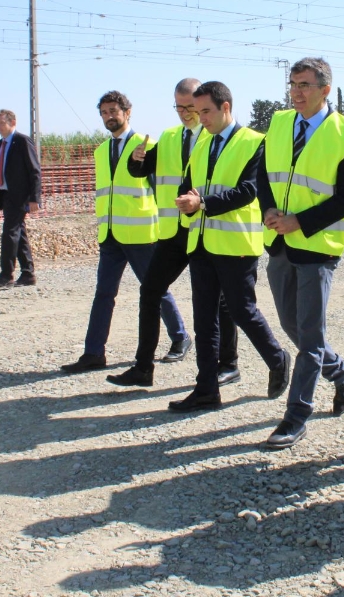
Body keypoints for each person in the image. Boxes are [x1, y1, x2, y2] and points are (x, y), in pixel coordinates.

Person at [107, 79, 243, 388]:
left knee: (218, 301)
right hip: (174, 232)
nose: (184, 113)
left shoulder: (216, 137)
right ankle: (143, 368)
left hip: (207, 229)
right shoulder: (168, 137)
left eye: (190, 107)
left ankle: (229, 364)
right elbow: (143, 171)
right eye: (178, 107)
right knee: (150, 290)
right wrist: (136, 160)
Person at [258, 57, 344, 450]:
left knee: (310, 335)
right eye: (292, 84)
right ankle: (342, 373)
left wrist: (300, 222)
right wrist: (268, 209)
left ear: (325, 89)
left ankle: (295, 416)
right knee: (296, 328)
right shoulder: (280, 123)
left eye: (304, 85)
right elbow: (262, 175)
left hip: (317, 247)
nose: (296, 92)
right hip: (279, 242)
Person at [166, 81, 292, 413]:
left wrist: (203, 202)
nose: (200, 118)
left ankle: (278, 358)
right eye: (196, 111)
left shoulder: (254, 142)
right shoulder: (202, 143)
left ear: (225, 107)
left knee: (242, 311)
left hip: (237, 243)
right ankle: (206, 389)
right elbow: (189, 184)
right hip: (203, 242)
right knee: (204, 320)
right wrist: (185, 199)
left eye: (205, 111)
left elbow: (249, 190)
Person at [61, 91, 189, 373]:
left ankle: (180, 337)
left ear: (127, 112)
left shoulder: (147, 145)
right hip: (110, 234)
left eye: (113, 111)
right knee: (103, 294)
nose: (109, 116)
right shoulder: (100, 151)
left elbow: (161, 188)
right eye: (104, 112)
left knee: (155, 289)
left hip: (141, 233)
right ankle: (93, 353)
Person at [0, 109, 42, 287]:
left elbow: (35, 171)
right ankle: (28, 274)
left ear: (12, 123)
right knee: (18, 233)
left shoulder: (22, 141)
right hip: (5, 196)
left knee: (9, 234)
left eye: (2, 123)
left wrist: (34, 198)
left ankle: (6, 275)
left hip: (20, 197)